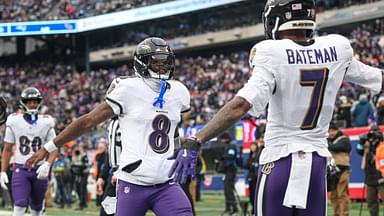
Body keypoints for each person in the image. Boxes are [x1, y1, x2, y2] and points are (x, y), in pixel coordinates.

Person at [166, 0, 384, 215]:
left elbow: (240, 105)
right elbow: (378, 78)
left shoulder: (272, 52)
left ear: (276, 19)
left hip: (280, 160)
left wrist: (198, 139)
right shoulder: (337, 49)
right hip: (317, 163)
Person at [26, 37, 193, 216]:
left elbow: (171, 131)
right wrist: (49, 146)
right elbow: (88, 121)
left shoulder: (179, 91)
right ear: (142, 63)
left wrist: (185, 147)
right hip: (133, 182)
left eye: (165, 62)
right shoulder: (129, 88)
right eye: (156, 62)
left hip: (166, 183)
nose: (162, 66)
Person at [0, 87, 58, 216]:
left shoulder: (47, 121)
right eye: (29, 101)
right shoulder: (14, 120)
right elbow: (7, 148)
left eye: (35, 101)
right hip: (21, 169)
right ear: (23, 103)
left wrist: (47, 164)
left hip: (39, 170)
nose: (32, 104)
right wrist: (3, 171)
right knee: (19, 205)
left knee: (37, 209)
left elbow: (54, 148)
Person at [96, 116, 122, 216]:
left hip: (128, 176)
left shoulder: (129, 122)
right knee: (106, 212)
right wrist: (102, 177)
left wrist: (121, 171)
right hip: (114, 177)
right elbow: (111, 153)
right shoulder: (113, 123)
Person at [327, 123, 351, 216]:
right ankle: (336, 214)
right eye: (329, 131)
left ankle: (344, 214)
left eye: (333, 130)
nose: (331, 133)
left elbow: (340, 147)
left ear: (337, 130)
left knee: (342, 194)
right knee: (334, 196)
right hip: (333, 171)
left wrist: (327, 145)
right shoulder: (329, 140)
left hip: (343, 169)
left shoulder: (344, 138)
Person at [217, 132, 239, 216]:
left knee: (229, 190)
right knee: (227, 190)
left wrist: (222, 157)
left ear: (226, 138)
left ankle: (234, 209)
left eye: (222, 139)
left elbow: (231, 155)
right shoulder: (227, 146)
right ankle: (228, 208)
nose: (221, 141)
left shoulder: (232, 146)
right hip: (227, 171)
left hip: (231, 170)